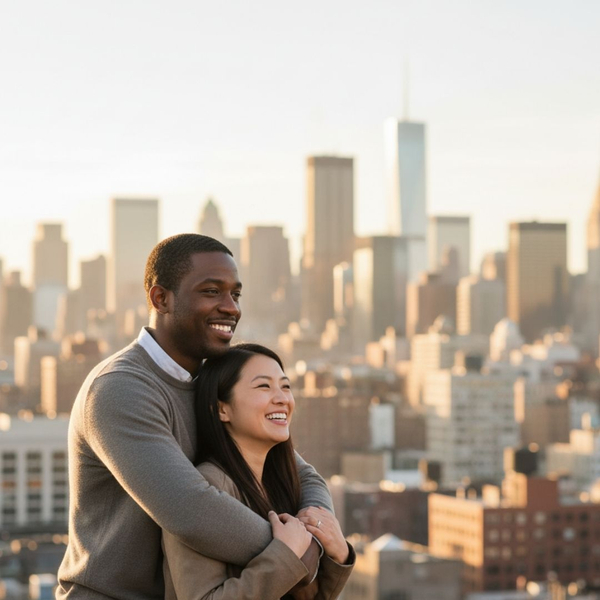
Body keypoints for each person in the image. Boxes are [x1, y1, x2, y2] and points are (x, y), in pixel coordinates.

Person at [56, 234, 332, 599]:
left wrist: (316, 527)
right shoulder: (120, 389)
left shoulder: (209, 383)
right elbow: (190, 509)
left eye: (235, 294)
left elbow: (303, 473)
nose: (230, 307)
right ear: (161, 298)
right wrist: (302, 553)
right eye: (211, 291)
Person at [162, 343, 354, 599]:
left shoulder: (283, 483)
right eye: (264, 386)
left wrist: (339, 554)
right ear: (221, 408)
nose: (282, 398)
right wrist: (283, 557)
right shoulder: (206, 488)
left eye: (286, 386)